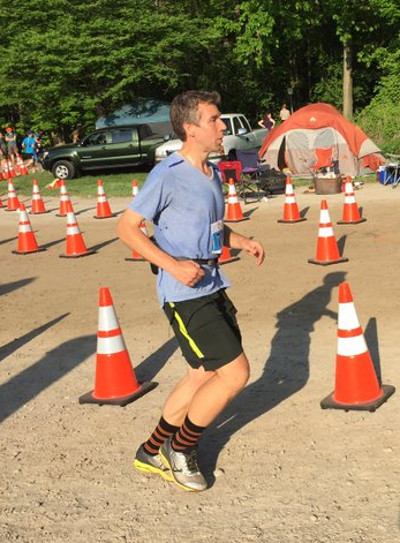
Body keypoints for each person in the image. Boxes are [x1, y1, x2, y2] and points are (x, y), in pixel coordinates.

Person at [117, 90, 265, 492]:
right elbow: (126, 229)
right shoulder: (167, 175)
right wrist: (173, 266)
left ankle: (150, 449)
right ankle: (181, 450)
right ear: (190, 128)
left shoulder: (212, 173)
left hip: (213, 283)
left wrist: (243, 240)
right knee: (236, 374)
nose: (222, 126)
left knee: (201, 374)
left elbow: (212, 230)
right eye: (214, 120)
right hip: (184, 294)